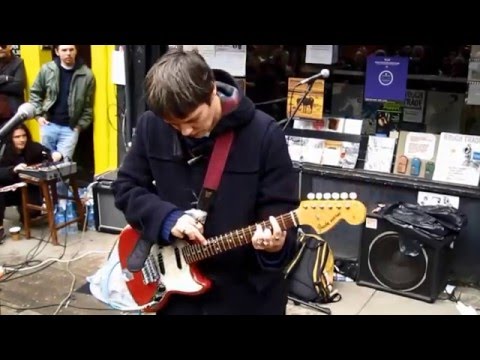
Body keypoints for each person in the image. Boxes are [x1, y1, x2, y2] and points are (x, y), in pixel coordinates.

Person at [111, 49, 300, 315]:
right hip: (177, 295)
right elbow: (126, 187)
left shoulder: (264, 135)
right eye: (173, 125)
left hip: (247, 297)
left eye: (191, 120)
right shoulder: (150, 126)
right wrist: (165, 218)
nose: (186, 131)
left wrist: (275, 244)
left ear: (211, 90)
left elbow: (281, 211)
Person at [29, 45, 95, 161]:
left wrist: (79, 126)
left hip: (70, 129)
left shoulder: (87, 75)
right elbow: (35, 93)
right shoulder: (47, 70)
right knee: (46, 163)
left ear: (76, 51)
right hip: (48, 125)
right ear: (57, 52)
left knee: (65, 166)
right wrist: (38, 116)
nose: (68, 53)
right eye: (64, 50)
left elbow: (88, 106)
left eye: (71, 50)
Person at [0, 124, 62, 242]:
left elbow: (46, 152)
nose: (22, 139)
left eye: (24, 136)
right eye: (17, 137)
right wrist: (12, 170)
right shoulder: (4, 151)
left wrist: (55, 154)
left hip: (28, 188)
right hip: (8, 190)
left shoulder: (32, 147)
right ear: (10, 139)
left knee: (32, 215)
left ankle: (25, 213)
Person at [0, 45, 27, 126]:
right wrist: (7, 78)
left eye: (3, 46)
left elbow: (18, 86)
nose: (0, 48)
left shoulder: (18, 62)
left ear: (11, 46)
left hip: (12, 112)